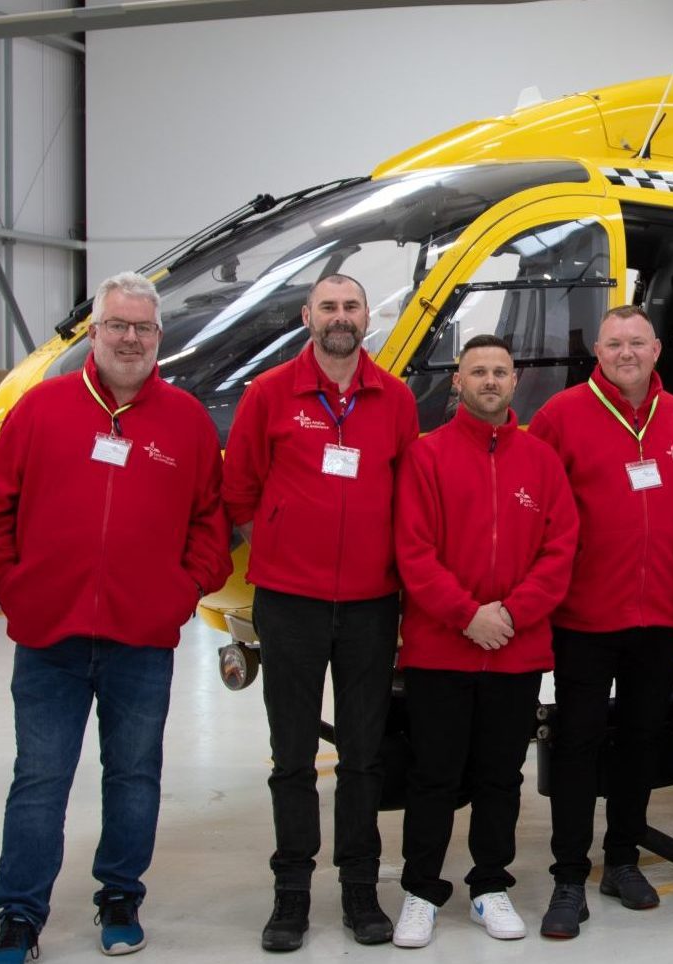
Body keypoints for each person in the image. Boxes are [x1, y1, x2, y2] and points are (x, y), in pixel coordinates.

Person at [0, 273, 234, 963]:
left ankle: (120, 896)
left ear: (158, 339)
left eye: (143, 328)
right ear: (94, 332)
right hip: (49, 638)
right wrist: (13, 586)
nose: (130, 339)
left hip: (140, 641)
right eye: (118, 325)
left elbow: (211, 522)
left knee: (134, 776)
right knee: (40, 780)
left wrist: (181, 593)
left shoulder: (184, 422)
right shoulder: (41, 410)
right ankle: (20, 917)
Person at [221, 274, 419, 950]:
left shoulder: (394, 399)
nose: (340, 317)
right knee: (292, 756)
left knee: (364, 756)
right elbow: (239, 489)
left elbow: (408, 497)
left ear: (368, 317)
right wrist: (279, 544)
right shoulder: (269, 394)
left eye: (351, 306)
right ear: (308, 316)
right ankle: (291, 892)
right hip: (291, 604)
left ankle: (360, 890)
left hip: (369, 603)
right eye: (328, 306)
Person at [391, 334, 580, 949]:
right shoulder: (427, 457)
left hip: (515, 650)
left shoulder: (542, 461)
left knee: (501, 775)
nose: (490, 381)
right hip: (440, 647)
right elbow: (413, 553)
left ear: (515, 380)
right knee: (434, 777)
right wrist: (467, 615)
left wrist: (512, 614)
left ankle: (489, 885)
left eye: (500, 371)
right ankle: (420, 891)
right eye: (479, 371)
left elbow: (560, 550)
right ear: (458, 381)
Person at [524, 305, 673, 939]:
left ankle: (622, 859)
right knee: (576, 744)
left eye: (637, 343)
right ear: (595, 350)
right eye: (614, 343)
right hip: (584, 614)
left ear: (656, 349)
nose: (626, 353)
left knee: (640, 740)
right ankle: (569, 874)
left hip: (657, 615)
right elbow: (531, 504)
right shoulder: (560, 416)